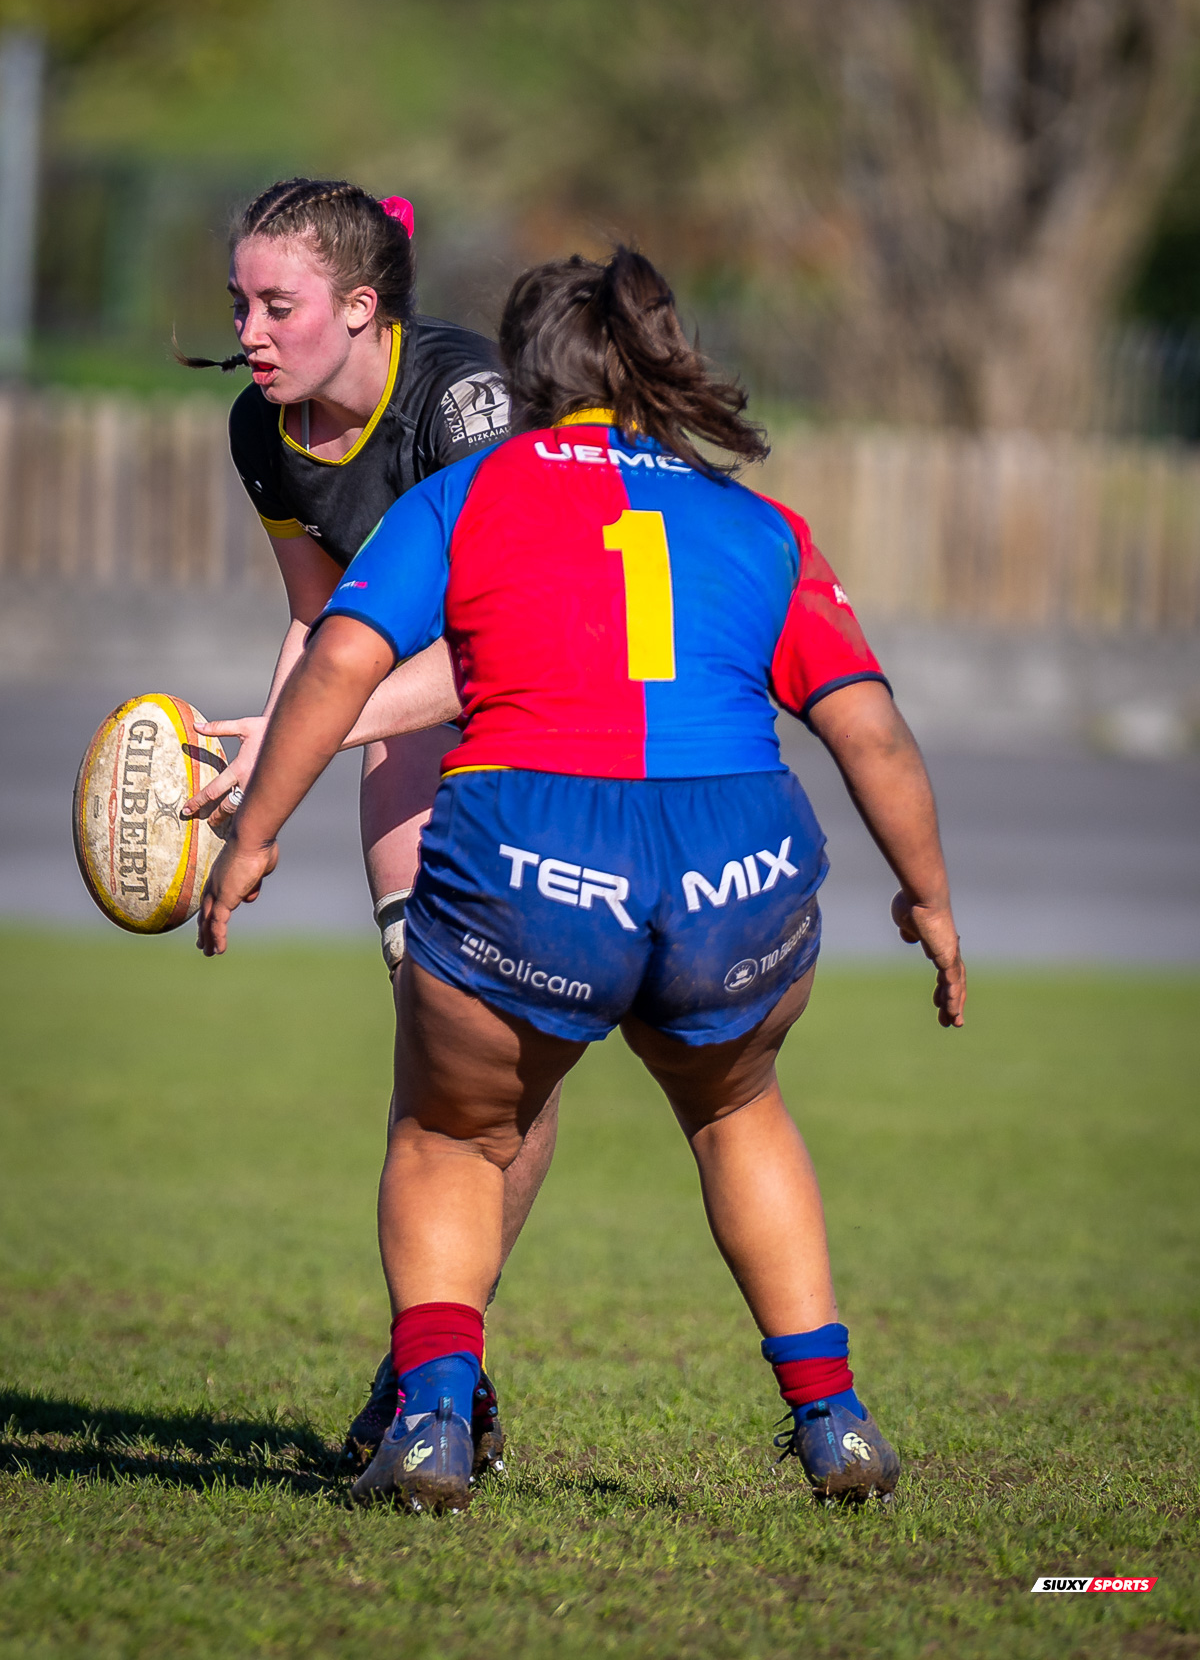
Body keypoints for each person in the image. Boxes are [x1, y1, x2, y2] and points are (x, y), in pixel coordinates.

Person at [197, 246, 967, 1516]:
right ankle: (832, 1420)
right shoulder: (755, 521)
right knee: (737, 1109)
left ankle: (437, 1422)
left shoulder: (468, 494)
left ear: (523, 369)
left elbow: (339, 660)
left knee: (454, 1132)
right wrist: (928, 899)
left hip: (534, 852)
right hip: (743, 862)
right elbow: (868, 727)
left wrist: (258, 835)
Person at [176, 175, 559, 1473]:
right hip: (401, 720)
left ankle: (432, 1378)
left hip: (554, 722)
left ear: (360, 304)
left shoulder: (467, 401)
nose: (250, 331)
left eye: (276, 304)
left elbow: (505, 637)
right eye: (239, 303)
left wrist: (310, 735)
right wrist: (258, 761)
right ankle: (439, 1382)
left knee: (495, 1063)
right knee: (438, 1053)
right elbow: (319, 621)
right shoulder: (262, 428)